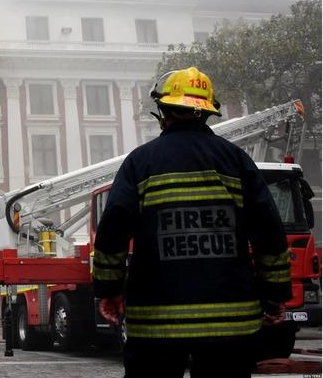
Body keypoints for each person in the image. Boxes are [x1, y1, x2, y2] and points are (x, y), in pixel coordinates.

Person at [93, 67, 291, 378]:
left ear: (163, 110)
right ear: (207, 113)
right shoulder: (237, 161)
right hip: (231, 324)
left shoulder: (140, 163)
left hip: (156, 326)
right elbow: (268, 231)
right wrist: (275, 295)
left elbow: (113, 229)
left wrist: (109, 289)